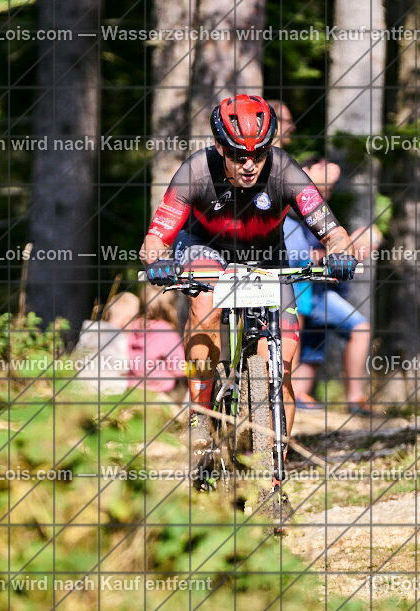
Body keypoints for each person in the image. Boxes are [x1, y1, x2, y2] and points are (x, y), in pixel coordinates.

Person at [139, 94, 361, 455]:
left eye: (258, 154)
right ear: (218, 147)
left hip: (267, 258)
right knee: (205, 302)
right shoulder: (195, 172)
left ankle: (274, 468)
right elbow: (155, 238)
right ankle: (199, 409)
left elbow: (333, 232)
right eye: (238, 155)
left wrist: (339, 252)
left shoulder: (285, 171)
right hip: (205, 247)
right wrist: (156, 261)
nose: (249, 164)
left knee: (281, 367)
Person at [282, 160, 375, 415]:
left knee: (355, 328)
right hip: (296, 284)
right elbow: (300, 254)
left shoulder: (320, 213)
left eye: (332, 184)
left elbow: (322, 248)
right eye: (325, 177)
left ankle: (351, 398)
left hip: (318, 289)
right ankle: (291, 392)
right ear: (308, 171)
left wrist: (354, 246)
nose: (328, 186)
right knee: (296, 314)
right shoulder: (289, 201)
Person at [73, 292, 140, 396]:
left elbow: (77, 356)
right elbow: (124, 366)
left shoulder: (90, 331)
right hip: (108, 390)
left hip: (82, 384)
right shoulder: (120, 339)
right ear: (127, 320)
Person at [127, 285, 187, 395]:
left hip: (133, 390)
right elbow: (178, 368)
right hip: (161, 393)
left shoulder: (132, 328)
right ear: (170, 308)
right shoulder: (166, 332)